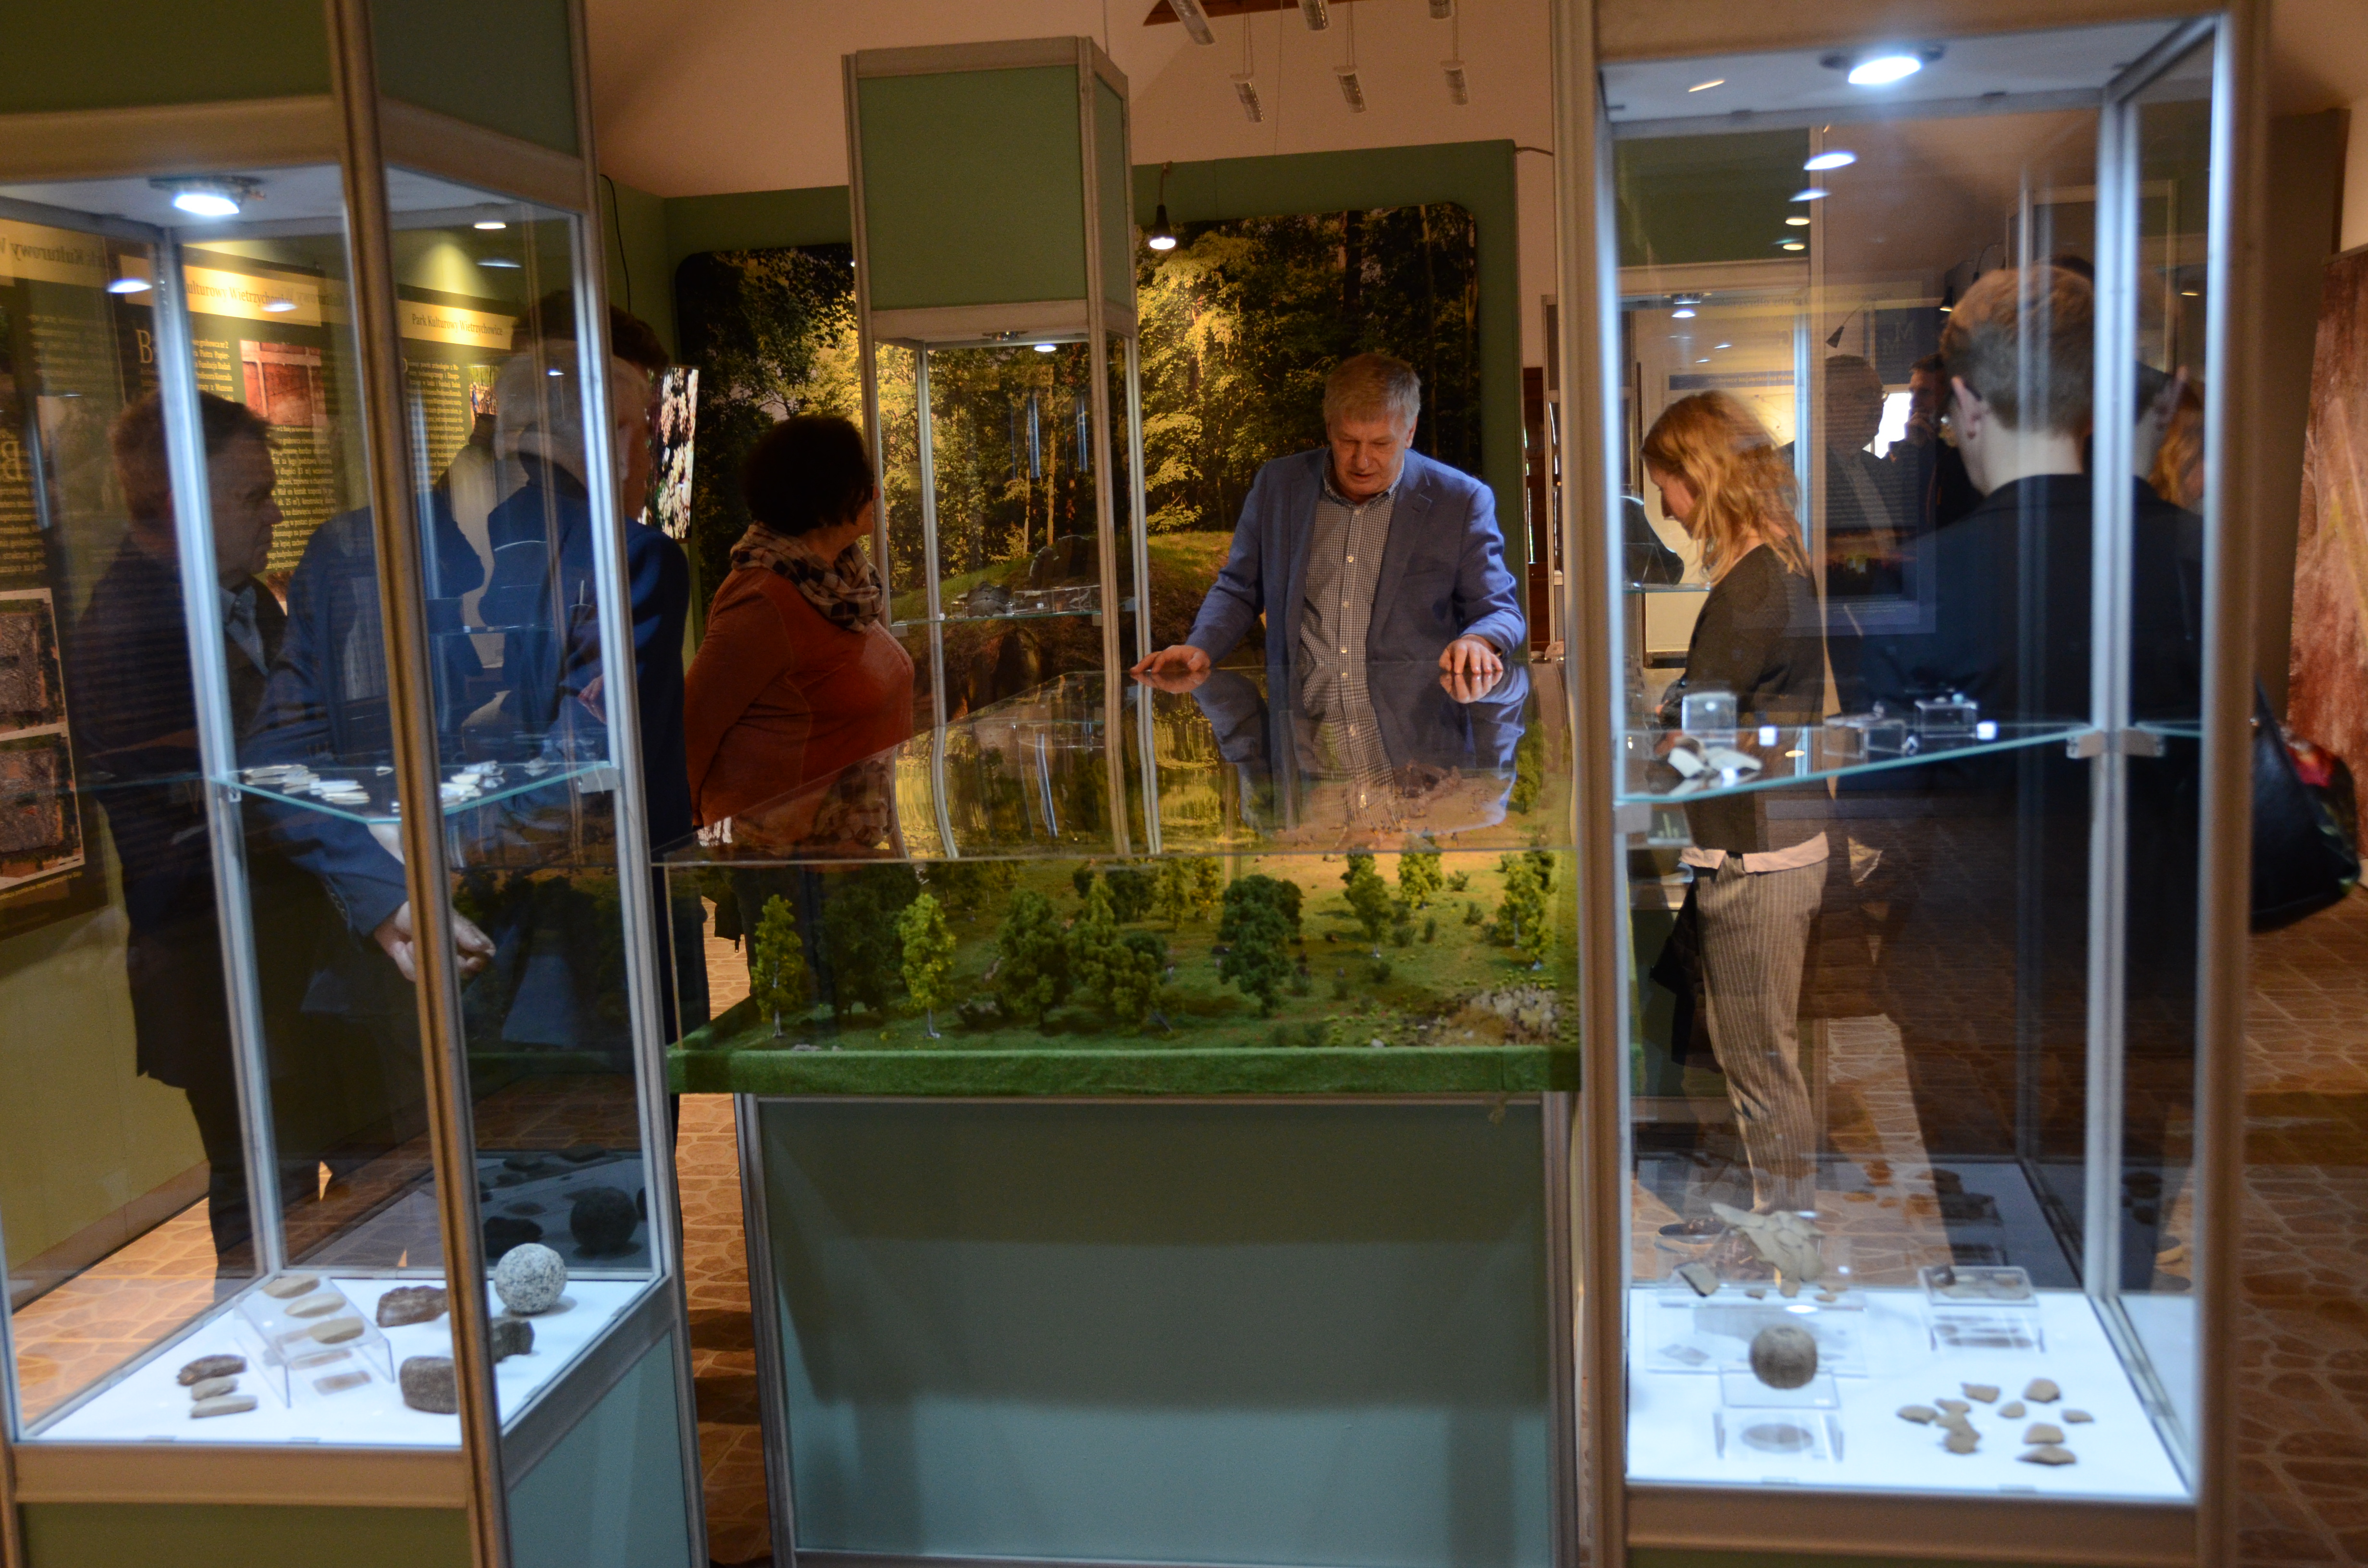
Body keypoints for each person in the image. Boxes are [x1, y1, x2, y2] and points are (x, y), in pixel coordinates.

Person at [71, 392, 340, 1273]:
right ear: (181, 501)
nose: (275, 516)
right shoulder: (133, 625)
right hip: (221, 957)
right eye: (253, 497)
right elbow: (212, 802)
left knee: (334, 1181)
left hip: (291, 952)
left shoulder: (244, 600)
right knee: (265, 1201)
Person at [1642, 391, 1827, 1218]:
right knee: (1753, 1055)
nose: (1666, 510)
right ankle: (1775, 1226)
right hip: (1768, 837)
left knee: (1759, 1066)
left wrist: (1664, 739)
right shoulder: (1776, 562)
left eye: (1667, 487)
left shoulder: (1752, 586)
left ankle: (1785, 1239)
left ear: (1702, 474)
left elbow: (1704, 738)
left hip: (1755, 852)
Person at [682, 414, 915, 1010]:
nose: (875, 492)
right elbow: (693, 725)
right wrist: (700, 841)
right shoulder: (763, 598)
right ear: (825, 495)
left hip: (850, 850)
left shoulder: (839, 585)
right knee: (813, 1019)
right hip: (794, 863)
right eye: (861, 480)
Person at [1131, 352, 1524, 686]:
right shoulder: (1278, 486)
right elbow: (1240, 589)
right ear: (1329, 427)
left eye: (1381, 444)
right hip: (1302, 735)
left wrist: (1478, 641)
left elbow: (1500, 611)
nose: (1362, 461)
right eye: (1348, 441)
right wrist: (1200, 646)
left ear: (1409, 432)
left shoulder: (1461, 500)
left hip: (1414, 737)